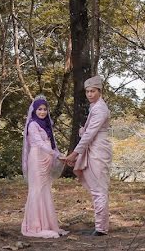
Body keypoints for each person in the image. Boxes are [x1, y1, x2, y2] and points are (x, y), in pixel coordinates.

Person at [63, 76, 112, 236]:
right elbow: (88, 132)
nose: (90, 94)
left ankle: (101, 228)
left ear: (100, 91)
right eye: (87, 91)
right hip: (93, 149)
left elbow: (90, 134)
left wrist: (74, 154)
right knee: (96, 189)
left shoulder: (100, 109)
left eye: (93, 91)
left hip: (98, 150)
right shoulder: (94, 107)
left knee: (99, 189)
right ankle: (100, 226)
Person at [22, 96, 68, 239]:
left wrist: (58, 155)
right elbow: (39, 143)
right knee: (36, 190)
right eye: (39, 109)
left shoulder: (47, 124)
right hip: (37, 159)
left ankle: (47, 223)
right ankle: (35, 225)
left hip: (46, 160)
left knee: (45, 190)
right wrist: (56, 155)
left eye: (44, 109)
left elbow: (50, 143)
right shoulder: (32, 125)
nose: (42, 112)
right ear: (34, 110)